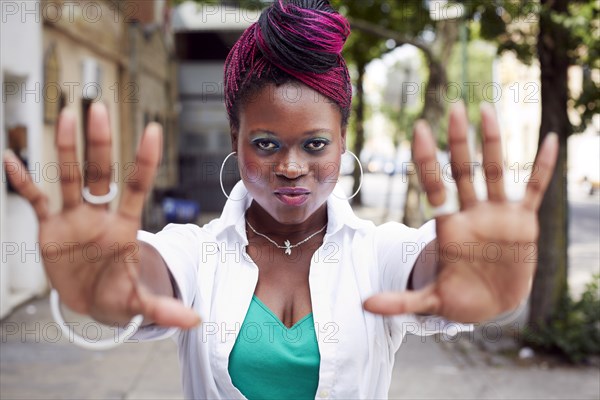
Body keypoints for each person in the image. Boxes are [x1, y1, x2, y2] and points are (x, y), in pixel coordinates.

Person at [3, 0, 558, 398]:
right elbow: (145, 276)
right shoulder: (199, 253)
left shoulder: (376, 253)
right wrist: (105, 276)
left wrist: (484, 272)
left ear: (343, 141)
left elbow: (432, 269)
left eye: (315, 144)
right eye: (265, 144)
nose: (291, 168)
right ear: (235, 142)